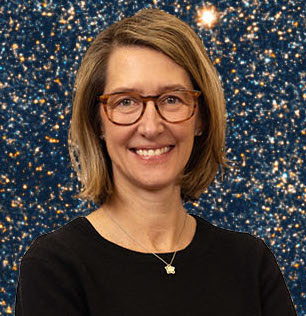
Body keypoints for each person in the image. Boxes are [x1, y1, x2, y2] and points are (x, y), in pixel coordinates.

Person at [15, 8, 297, 315]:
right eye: (126, 101)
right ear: (98, 122)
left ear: (200, 116)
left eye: (172, 99)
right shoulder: (55, 266)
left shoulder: (251, 263)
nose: (150, 127)